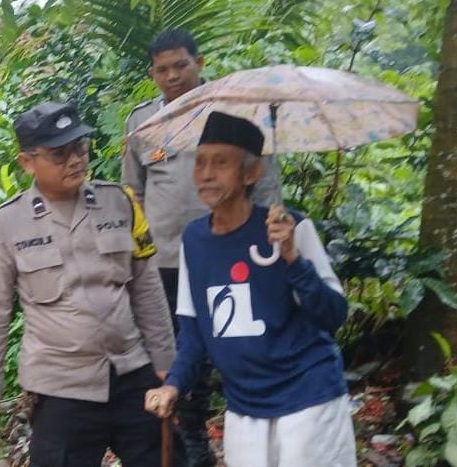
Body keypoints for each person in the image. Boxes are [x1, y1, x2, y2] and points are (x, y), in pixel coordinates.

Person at [144, 111, 356, 467]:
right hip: (244, 406)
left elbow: (334, 315)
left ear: (251, 173)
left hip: (308, 400)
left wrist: (292, 258)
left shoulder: (291, 229)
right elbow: (194, 334)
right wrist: (173, 385)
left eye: (221, 162)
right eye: (200, 162)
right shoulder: (194, 239)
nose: (206, 174)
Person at [0, 101, 176, 467]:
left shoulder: (120, 202)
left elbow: (147, 289)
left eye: (80, 147)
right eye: (59, 154)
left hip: (131, 374)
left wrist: (166, 364)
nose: (76, 160)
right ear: (27, 162)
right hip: (60, 388)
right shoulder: (6, 224)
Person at [122, 27, 279, 466]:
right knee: (172, 347)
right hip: (164, 260)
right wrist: (134, 255)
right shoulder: (142, 122)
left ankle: (222, 432)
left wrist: (265, 239)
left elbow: (265, 182)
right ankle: (184, 435)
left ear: (200, 62)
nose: (172, 76)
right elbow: (133, 191)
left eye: (180, 65)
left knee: (220, 341)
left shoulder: (234, 113)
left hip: (224, 254)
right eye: (162, 70)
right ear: (152, 74)